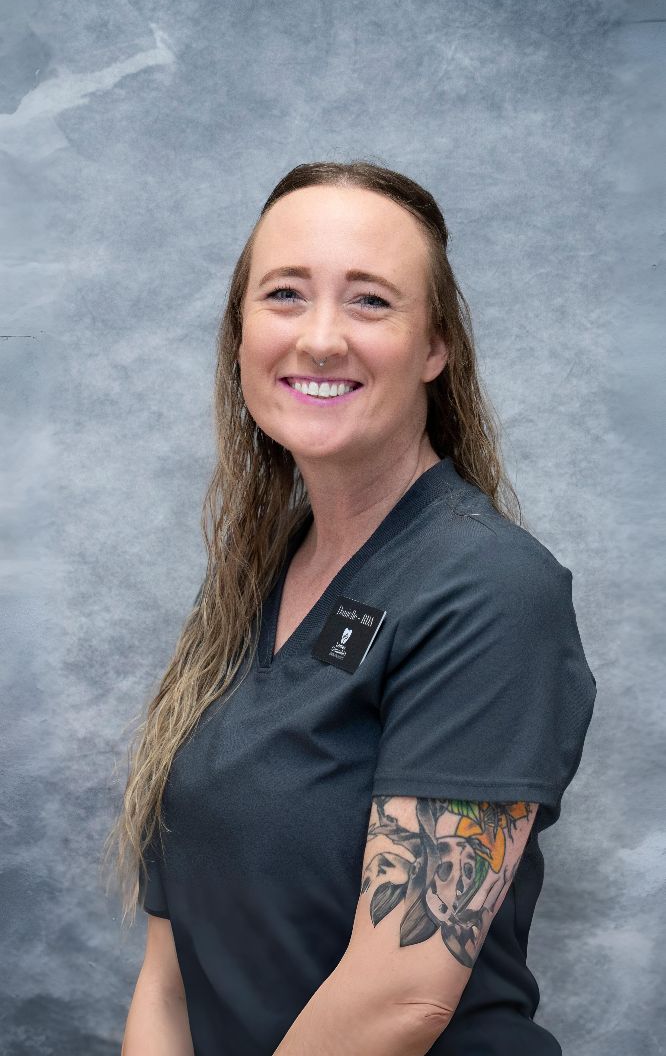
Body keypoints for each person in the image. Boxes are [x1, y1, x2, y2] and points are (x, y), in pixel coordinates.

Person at [106, 160, 597, 1056]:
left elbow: (400, 1000)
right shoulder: (251, 589)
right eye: (285, 294)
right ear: (241, 331)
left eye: (370, 301)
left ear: (435, 347)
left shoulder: (487, 590)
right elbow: (170, 980)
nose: (320, 338)